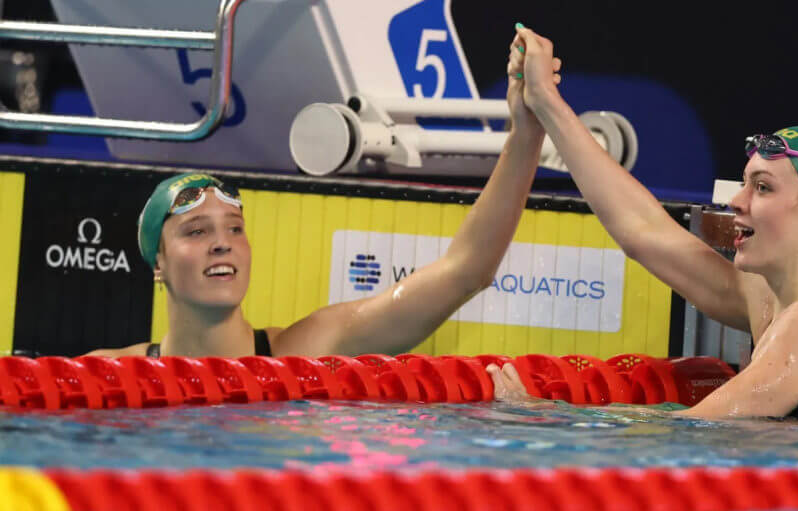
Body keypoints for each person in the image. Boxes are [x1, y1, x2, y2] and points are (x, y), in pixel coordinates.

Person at [488, 26, 798, 426]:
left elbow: (699, 427)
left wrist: (542, 414)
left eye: (763, 188)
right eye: (745, 182)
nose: (738, 200)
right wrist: (546, 102)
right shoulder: (767, 299)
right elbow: (641, 232)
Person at [90, 30, 563, 359]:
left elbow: (465, 272)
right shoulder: (111, 373)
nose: (222, 242)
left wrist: (525, 134)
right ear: (158, 262)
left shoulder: (312, 351)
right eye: (196, 230)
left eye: (235, 229)